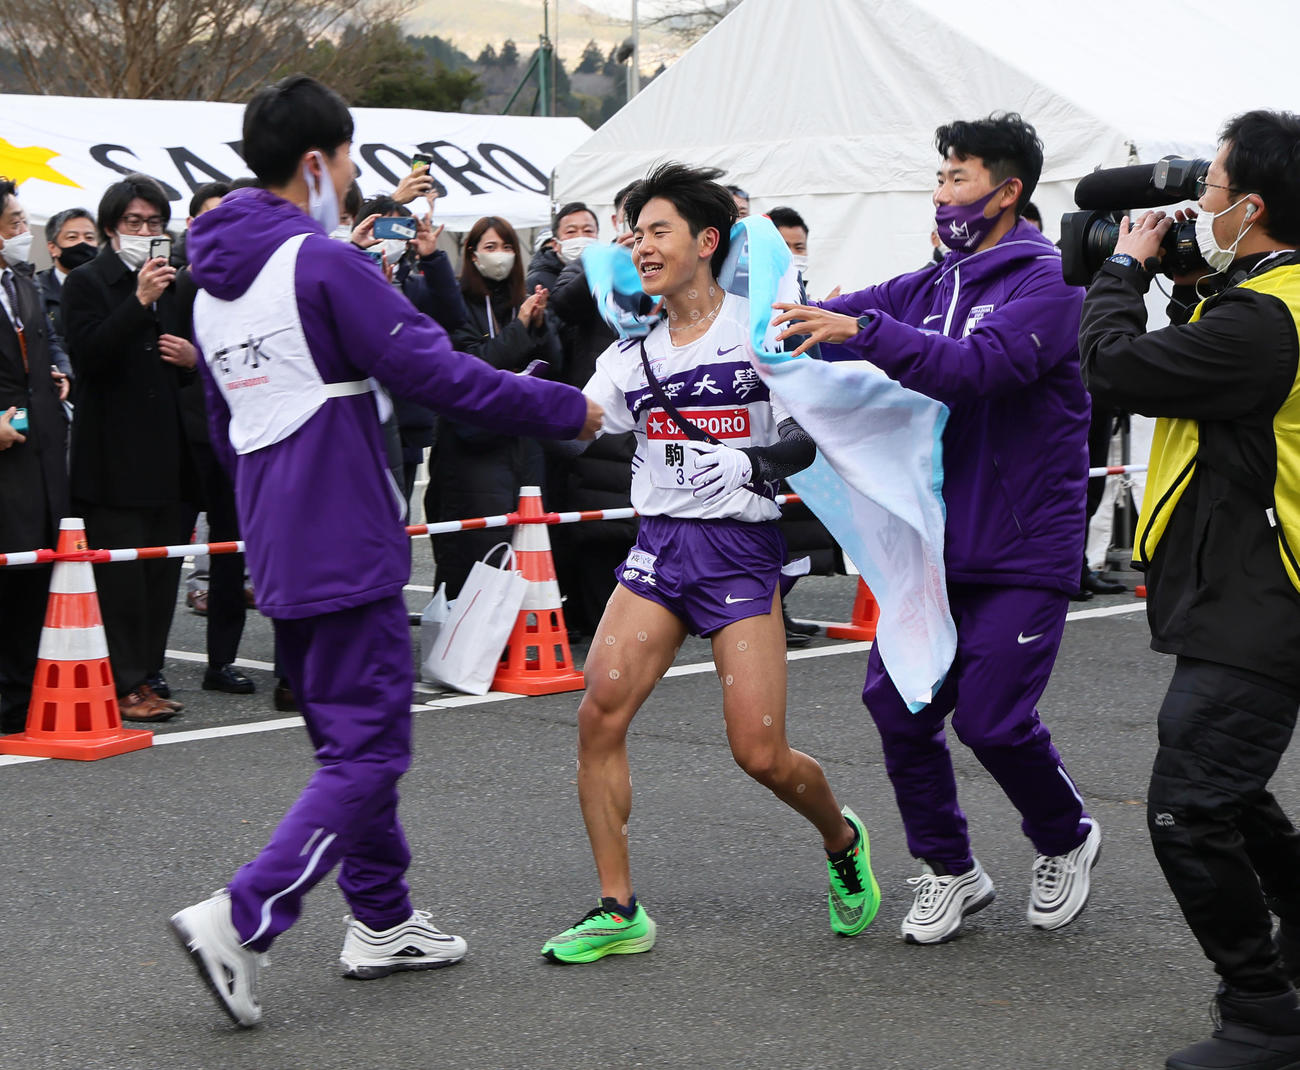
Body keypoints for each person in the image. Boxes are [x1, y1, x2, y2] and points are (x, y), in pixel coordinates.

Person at [168, 74, 601, 1028]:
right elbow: (435, 372)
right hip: (346, 533)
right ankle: (242, 919)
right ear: (319, 165)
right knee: (369, 748)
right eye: (353, 160)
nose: (356, 177)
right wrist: (566, 405)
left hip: (277, 535)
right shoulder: (323, 265)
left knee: (344, 743)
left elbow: (219, 423)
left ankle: (383, 918)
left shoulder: (209, 288)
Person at [772, 112, 1100, 945]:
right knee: (898, 707)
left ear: (1008, 189)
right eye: (942, 177)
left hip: (1024, 544)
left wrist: (863, 332)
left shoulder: (1049, 285)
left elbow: (982, 369)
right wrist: (756, 315)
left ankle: (1065, 837)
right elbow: (831, 319)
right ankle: (949, 869)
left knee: (991, 720)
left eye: (958, 178)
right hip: (933, 545)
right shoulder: (930, 285)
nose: (944, 193)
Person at [541, 162, 879, 965]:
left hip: (739, 552)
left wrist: (759, 467)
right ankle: (618, 909)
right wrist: (517, 392)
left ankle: (840, 837)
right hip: (660, 550)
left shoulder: (760, 328)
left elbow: (816, 428)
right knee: (599, 715)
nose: (640, 246)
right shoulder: (633, 351)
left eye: (656, 230)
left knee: (758, 752)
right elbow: (580, 424)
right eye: (633, 233)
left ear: (705, 241)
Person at [1079, 109, 1300, 1070]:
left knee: (1188, 807)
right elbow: (1205, 364)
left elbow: (1113, 368)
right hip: (1250, 593)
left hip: (1266, 598)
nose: (1193, 203)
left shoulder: (1264, 321)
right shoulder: (1266, 299)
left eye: (1208, 188)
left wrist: (1123, 269)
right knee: (1228, 787)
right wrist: (1189, 278)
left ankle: (1263, 1015)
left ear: (1250, 205)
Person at [62, 173, 199, 722]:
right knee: (119, 578)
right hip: (113, 455)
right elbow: (88, 355)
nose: (146, 232)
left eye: (155, 223)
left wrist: (192, 360)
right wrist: (137, 300)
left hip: (168, 450)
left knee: (160, 573)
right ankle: (124, 683)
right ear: (111, 228)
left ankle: (147, 674)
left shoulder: (176, 284)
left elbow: (186, 369)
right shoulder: (87, 282)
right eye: (134, 223)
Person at [424, 214, 563, 598]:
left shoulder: (524, 299)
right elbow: (475, 366)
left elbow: (555, 365)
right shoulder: (456, 303)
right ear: (471, 254)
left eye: (506, 247)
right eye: (489, 247)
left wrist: (539, 326)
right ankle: (463, 649)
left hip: (523, 442)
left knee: (521, 551)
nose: (499, 256)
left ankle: (508, 649)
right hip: (469, 449)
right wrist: (521, 329)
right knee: (471, 552)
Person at [545, 183, 639, 637]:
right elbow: (565, 302)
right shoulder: (590, 263)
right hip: (600, 412)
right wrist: (608, 261)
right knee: (600, 526)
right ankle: (596, 621)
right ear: (619, 222)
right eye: (632, 217)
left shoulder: (668, 268)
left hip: (650, 413)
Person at [0, 178, 71, 734]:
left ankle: (22, 696)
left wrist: (55, 374)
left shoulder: (20, 282)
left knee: (33, 577)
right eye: (16, 223)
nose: (25, 232)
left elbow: (44, 343)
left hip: (39, 451)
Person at [37, 206, 96, 373]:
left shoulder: (108, 287)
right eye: (72, 237)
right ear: (53, 247)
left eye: (89, 237)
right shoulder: (36, 290)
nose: (83, 243)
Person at [525, 201, 600, 293]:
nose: (581, 236)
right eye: (571, 231)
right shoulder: (538, 282)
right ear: (555, 244)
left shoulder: (607, 274)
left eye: (588, 230)